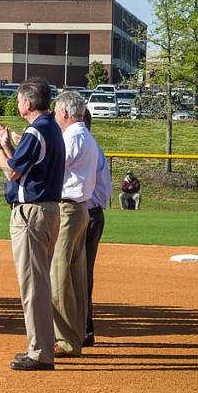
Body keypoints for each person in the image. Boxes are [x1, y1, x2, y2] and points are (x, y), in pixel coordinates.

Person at [0, 78, 65, 371]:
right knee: (38, 281)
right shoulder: (52, 127)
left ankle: (40, 351)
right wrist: (7, 144)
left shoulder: (36, 129)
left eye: (19, 100)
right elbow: (28, 164)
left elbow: (13, 173)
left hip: (32, 213)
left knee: (33, 284)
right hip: (48, 210)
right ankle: (40, 346)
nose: (18, 105)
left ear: (28, 104)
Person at [49, 92, 99, 358]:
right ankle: (76, 334)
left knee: (59, 275)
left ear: (65, 113)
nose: (55, 115)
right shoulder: (85, 136)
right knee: (75, 277)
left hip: (68, 209)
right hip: (80, 209)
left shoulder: (72, 136)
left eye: (56, 111)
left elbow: (52, 167)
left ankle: (65, 339)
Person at [82, 109, 110, 348]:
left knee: (73, 275)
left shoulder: (84, 148)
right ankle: (85, 329)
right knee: (82, 275)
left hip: (86, 215)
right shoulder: (93, 147)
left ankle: (83, 329)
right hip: (93, 214)